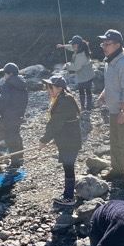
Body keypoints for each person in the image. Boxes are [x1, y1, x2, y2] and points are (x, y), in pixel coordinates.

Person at [95, 29, 124, 187]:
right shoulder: (110, 59)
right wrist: (104, 94)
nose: (104, 46)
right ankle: (118, 170)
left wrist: (122, 111)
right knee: (114, 141)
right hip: (114, 109)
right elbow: (112, 83)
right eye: (103, 43)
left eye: (107, 44)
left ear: (118, 45)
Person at [39, 75, 82, 207]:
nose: (48, 90)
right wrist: (54, 139)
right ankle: (69, 194)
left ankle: (69, 198)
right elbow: (61, 124)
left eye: (50, 87)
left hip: (70, 141)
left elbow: (54, 123)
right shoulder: (62, 98)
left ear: (59, 88)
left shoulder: (64, 101)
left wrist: (44, 140)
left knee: (68, 166)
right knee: (67, 166)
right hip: (68, 139)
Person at [0, 62, 28, 170]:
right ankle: (20, 157)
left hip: (9, 116)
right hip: (18, 115)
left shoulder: (8, 84)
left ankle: (15, 162)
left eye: (5, 73)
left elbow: (3, 101)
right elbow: (25, 100)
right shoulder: (22, 84)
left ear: (10, 74)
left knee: (10, 137)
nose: (4, 75)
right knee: (16, 134)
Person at [57, 35, 96, 111]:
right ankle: (86, 106)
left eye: (73, 44)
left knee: (84, 91)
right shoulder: (80, 48)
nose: (72, 46)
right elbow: (71, 47)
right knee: (87, 91)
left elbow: (76, 67)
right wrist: (63, 46)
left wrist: (67, 65)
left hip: (85, 76)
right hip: (88, 74)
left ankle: (86, 107)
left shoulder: (80, 55)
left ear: (77, 44)